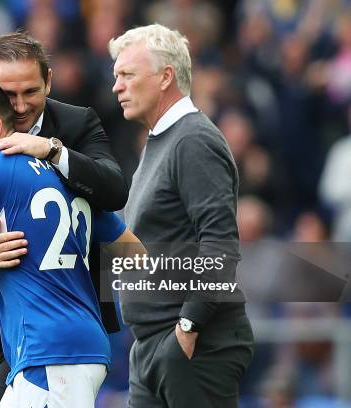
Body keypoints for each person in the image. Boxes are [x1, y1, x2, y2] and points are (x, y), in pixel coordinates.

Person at [0, 32, 128, 406]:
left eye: (31, 92)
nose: (19, 107)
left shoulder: (72, 127)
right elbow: (132, 249)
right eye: (7, 95)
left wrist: (54, 150)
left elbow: (115, 194)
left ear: (49, 81)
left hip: (47, 337)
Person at [109, 24, 254, 407]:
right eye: (115, 76)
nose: (116, 86)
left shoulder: (193, 140)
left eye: (127, 75)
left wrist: (188, 326)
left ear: (165, 77)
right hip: (153, 346)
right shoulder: (162, 140)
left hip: (194, 345)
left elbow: (220, 245)